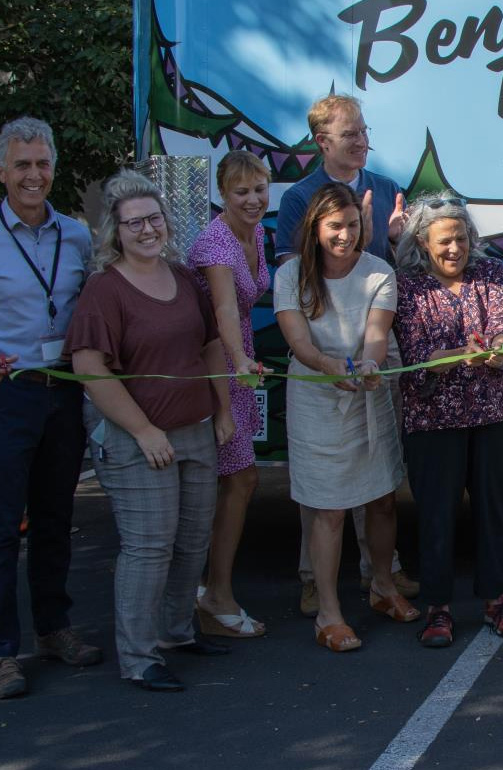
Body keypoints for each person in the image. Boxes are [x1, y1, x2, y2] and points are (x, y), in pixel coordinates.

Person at [0, 117, 102, 699]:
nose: (33, 175)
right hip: (6, 396)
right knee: (2, 527)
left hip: (64, 392)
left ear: (53, 168)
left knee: (57, 520)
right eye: (22, 165)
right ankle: (0, 654)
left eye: (42, 164)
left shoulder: (78, 236)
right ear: (1, 172)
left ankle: (54, 628)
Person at [68, 171, 234, 692]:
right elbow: (90, 368)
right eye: (134, 222)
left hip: (196, 430)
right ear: (115, 231)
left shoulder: (183, 278)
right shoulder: (105, 290)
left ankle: (177, 632)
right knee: (148, 548)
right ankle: (138, 658)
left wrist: (223, 410)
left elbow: (210, 346)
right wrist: (143, 430)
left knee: (190, 543)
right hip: (139, 440)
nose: (147, 229)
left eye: (154, 218)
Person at [273, 93, 415, 613]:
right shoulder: (298, 198)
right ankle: (316, 577)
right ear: (322, 142)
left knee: (380, 481)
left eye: (363, 131)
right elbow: (302, 275)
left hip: (372, 349)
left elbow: (396, 270)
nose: (362, 141)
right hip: (321, 359)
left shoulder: (386, 187)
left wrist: (393, 241)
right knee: (324, 490)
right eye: (349, 133)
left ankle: (382, 574)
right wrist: (326, 363)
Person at [392, 193, 503, 647]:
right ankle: (437, 608)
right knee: (435, 515)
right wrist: (461, 354)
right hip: (433, 421)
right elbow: (417, 357)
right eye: (445, 241)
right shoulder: (408, 285)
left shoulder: (490, 272)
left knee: (494, 511)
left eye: (462, 238)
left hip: (492, 414)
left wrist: (498, 347)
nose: (455, 249)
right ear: (424, 244)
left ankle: (496, 599)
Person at [187, 150, 271, 638]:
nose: (254, 199)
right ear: (223, 194)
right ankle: (214, 594)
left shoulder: (256, 232)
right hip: (213, 360)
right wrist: (235, 371)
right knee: (236, 480)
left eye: (259, 188)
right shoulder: (217, 243)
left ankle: (205, 589)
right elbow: (221, 312)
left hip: (237, 359)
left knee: (235, 480)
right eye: (242, 192)